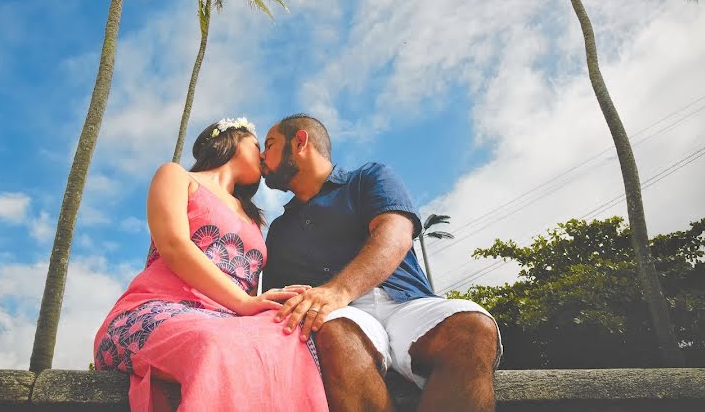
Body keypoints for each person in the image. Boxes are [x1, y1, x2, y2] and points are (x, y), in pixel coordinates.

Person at [261, 114, 502, 412]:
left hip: (407, 303)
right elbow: (279, 300)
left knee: (472, 327)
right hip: (340, 315)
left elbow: (396, 233)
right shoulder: (279, 230)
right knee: (333, 334)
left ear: (300, 142)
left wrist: (339, 290)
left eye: (269, 145)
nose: (262, 155)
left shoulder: (369, 177)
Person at [93, 117, 327, 412]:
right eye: (259, 146)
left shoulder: (253, 218)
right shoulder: (177, 176)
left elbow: (249, 286)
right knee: (216, 343)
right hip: (159, 308)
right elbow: (174, 246)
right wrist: (245, 302)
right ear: (231, 139)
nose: (265, 157)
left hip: (231, 321)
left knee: (293, 345)